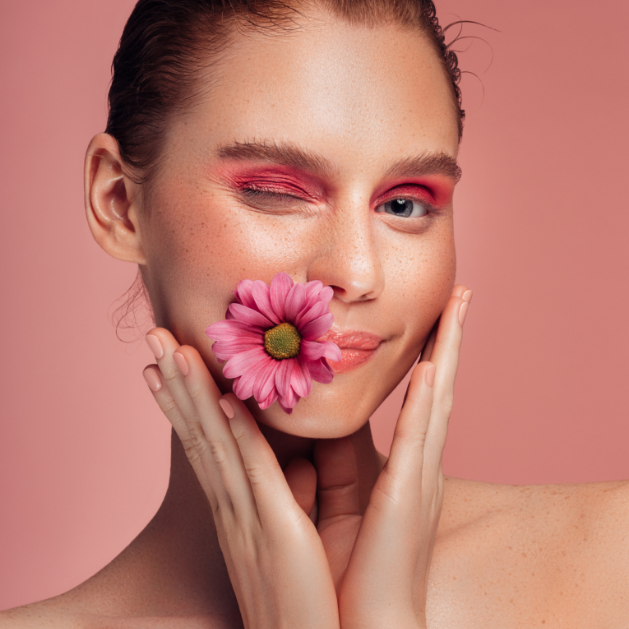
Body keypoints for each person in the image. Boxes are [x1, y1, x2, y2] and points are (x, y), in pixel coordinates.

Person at [2, 0, 628, 627]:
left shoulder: (611, 558)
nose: (357, 273)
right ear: (119, 203)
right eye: (276, 193)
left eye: (405, 204)